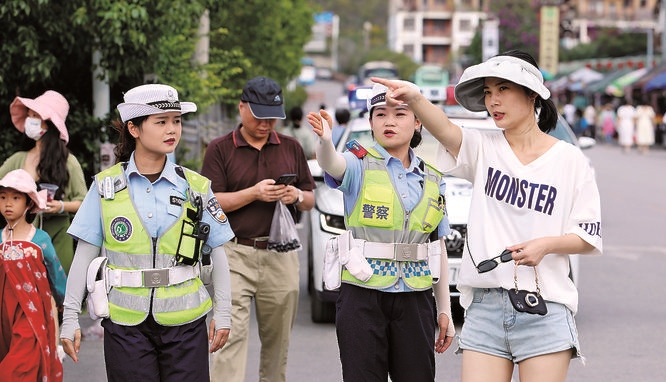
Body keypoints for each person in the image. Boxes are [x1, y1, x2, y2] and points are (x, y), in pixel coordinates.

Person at [371, 49, 602, 382]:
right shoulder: (484, 148)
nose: (494, 101)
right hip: (485, 307)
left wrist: (546, 245)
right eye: (488, 92)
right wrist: (416, 98)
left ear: (532, 94)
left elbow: (586, 235)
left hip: (546, 306)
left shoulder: (569, 160)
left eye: (503, 89)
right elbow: (446, 130)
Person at [60, 84, 234, 382]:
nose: (172, 130)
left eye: (177, 121)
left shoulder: (196, 186)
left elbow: (218, 254)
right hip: (125, 324)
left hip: (187, 322)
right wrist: (69, 317)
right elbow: (84, 254)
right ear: (134, 128)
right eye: (161, 121)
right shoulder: (105, 187)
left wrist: (225, 312)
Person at [306, 81, 455, 381]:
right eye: (380, 114)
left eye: (400, 114)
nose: (389, 121)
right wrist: (325, 140)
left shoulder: (433, 178)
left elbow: (437, 247)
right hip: (362, 296)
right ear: (371, 122)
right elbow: (332, 164)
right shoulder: (357, 164)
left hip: (416, 297)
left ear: (417, 122)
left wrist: (446, 310)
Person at [201, 76, 316, 382]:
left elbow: (310, 198)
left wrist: (297, 196)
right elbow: (210, 202)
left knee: (278, 342)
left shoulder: (291, 147)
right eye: (259, 115)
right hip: (234, 253)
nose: (266, 124)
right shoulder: (220, 149)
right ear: (242, 108)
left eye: (272, 118)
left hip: (280, 255)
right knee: (229, 336)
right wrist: (253, 193)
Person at [1, 90, 88, 275]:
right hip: (19, 237)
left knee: (58, 293)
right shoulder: (17, 159)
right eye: (29, 115)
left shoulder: (68, 162)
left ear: (50, 124)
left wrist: (61, 206)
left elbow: (84, 203)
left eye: (35, 115)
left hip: (58, 235)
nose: (29, 119)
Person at [0, 169, 67, 381]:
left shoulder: (40, 240)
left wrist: (65, 302)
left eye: (15, 198)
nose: (8, 203)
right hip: (2, 313)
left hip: (30, 313)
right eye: (2, 198)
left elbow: (56, 273)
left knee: (20, 365)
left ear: (29, 203)